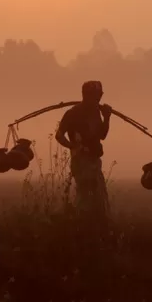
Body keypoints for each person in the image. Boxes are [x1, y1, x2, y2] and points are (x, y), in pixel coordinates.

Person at [55, 80, 112, 223]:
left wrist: (107, 118)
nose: (98, 98)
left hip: (94, 161)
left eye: (100, 95)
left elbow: (102, 135)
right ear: (86, 95)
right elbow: (59, 135)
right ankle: (80, 225)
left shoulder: (96, 113)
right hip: (81, 161)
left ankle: (97, 227)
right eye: (96, 95)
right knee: (85, 195)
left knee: (99, 198)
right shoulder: (73, 113)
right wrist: (72, 146)